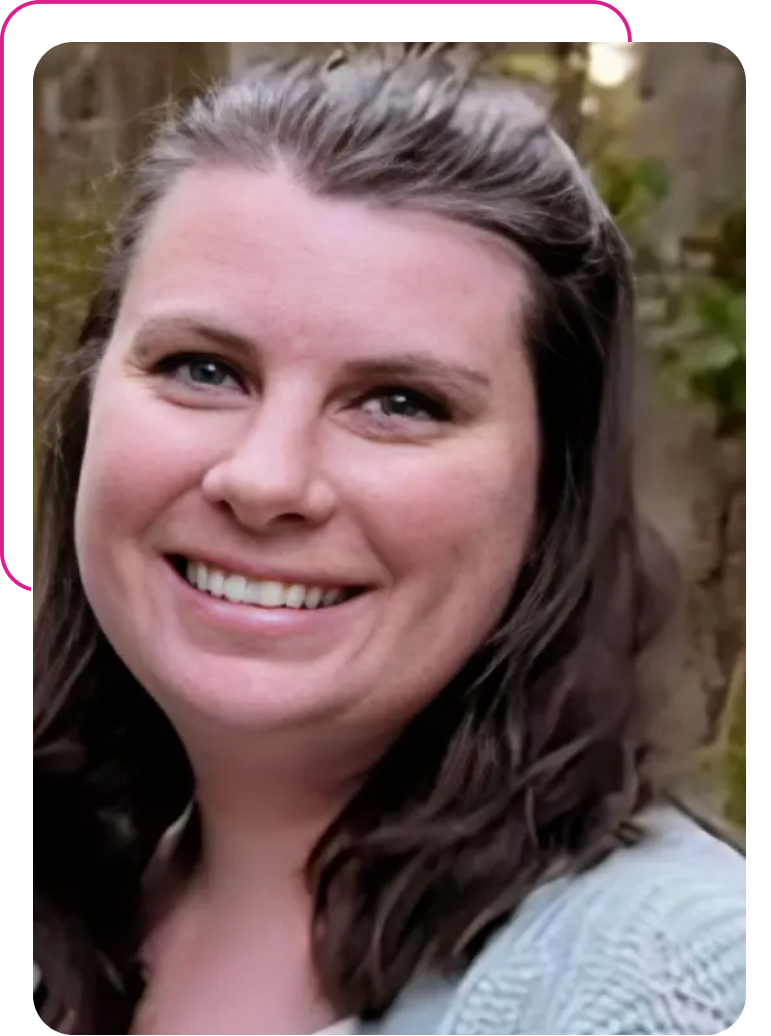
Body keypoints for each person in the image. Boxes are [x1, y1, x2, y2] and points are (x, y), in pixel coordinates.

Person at [33, 49, 746, 1036]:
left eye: (400, 403)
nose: (265, 479)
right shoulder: (73, 894)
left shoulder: (663, 981)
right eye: (203, 368)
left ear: (554, 496)